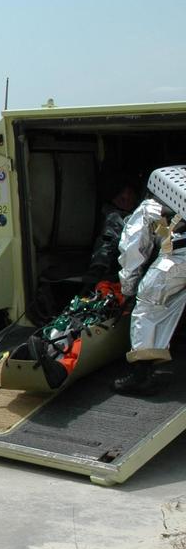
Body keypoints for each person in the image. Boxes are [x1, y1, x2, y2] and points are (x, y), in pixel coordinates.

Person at [112, 165, 186, 395]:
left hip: (179, 257)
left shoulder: (149, 208)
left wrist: (129, 288)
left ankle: (141, 375)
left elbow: (132, 250)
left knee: (149, 300)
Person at [81, 174, 141, 293]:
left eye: (129, 192)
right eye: (120, 195)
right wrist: (98, 268)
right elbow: (106, 242)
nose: (125, 197)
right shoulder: (114, 218)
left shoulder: (143, 211)